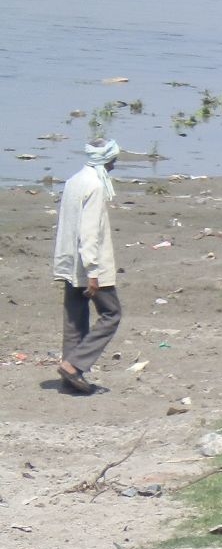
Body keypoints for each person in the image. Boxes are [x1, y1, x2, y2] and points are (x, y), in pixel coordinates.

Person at [52, 137, 123, 394]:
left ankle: (69, 377)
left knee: (75, 320)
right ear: (106, 159)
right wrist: (94, 272)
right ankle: (73, 365)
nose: (116, 163)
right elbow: (89, 232)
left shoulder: (74, 181)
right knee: (111, 314)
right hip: (90, 266)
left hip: (70, 262)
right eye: (114, 158)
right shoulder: (94, 185)